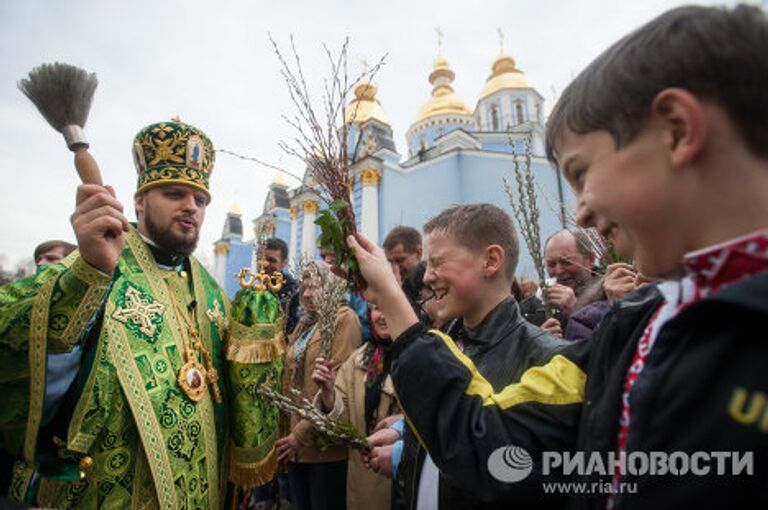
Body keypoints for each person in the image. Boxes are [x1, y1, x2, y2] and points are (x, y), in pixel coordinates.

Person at [344, 4, 768, 508]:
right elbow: (496, 443)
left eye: (582, 172)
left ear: (676, 129)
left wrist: (397, 305)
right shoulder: (634, 326)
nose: (582, 211)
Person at [0, 119, 284, 508]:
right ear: (138, 201)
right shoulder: (94, 264)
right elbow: (20, 355)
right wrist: (87, 276)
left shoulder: (214, 293)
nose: (191, 207)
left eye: (200, 201)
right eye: (174, 194)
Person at [366, 203, 567, 509]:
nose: (428, 277)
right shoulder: (442, 345)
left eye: (437, 262)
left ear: (491, 260)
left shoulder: (547, 361)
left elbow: (507, 470)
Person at [278, 260, 361, 510]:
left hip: (324, 450)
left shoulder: (343, 319)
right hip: (296, 449)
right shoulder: (305, 324)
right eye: (303, 287)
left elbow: (337, 384)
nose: (306, 293)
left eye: (314, 286)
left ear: (331, 286)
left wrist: (301, 434)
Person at [311, 303, 399, 510]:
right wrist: (328, 394)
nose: (382, 315)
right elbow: (339, 431)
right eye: (376, 308)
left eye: (388, 304)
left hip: (406, 484)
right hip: (365, 485)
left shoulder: (420, 358)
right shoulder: (358, 361)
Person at [263, 237, 301, 333]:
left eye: (272, 260)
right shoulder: (252, 288)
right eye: (263, 259)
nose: (266, 264)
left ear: (284, 263)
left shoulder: (294, 291)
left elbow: (293, 328)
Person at [383, 226, 423, 307]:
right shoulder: (402, 285)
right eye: (391, 262)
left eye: (400, 260)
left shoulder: (433, 287)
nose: (395, 269)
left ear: (418, 253)